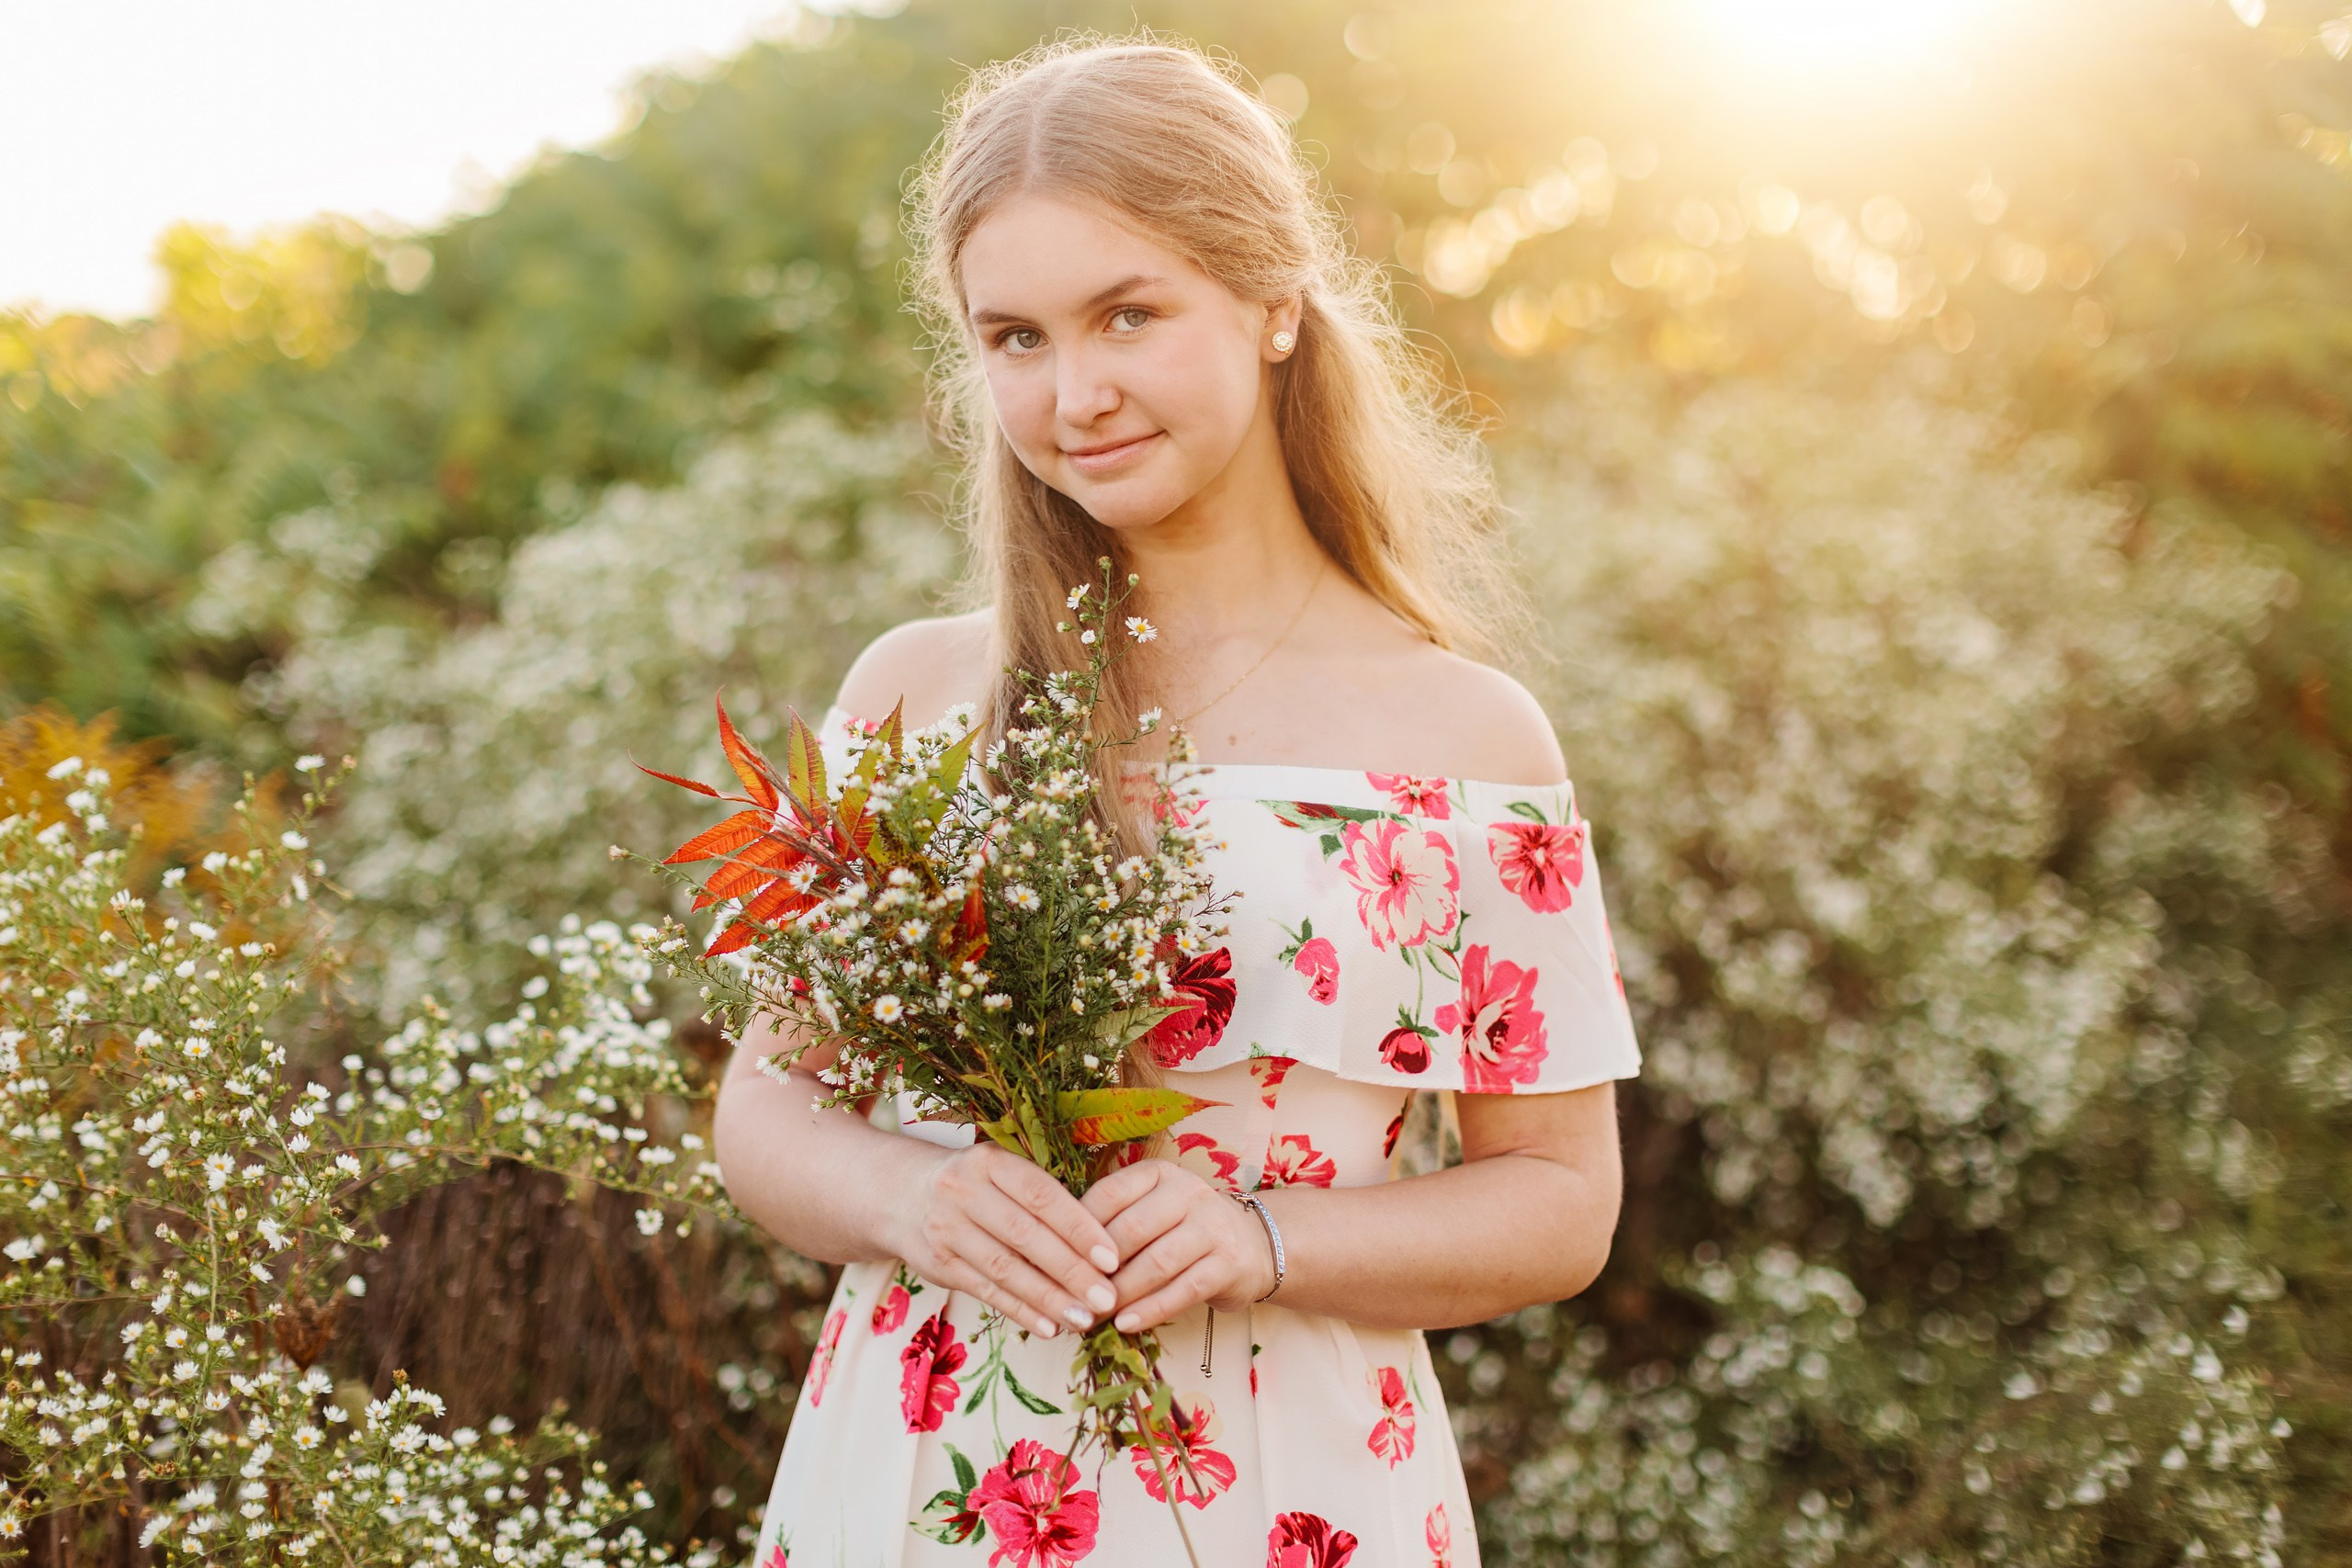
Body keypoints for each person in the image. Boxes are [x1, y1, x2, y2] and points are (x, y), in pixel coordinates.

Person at [718, 37, 1640, 1568]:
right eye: (1015, 337)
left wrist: (1263, 1238)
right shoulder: (916, 694)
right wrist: (910, 1199)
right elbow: (765, 1105)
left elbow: (1558, 1201)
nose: (1075, 394)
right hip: (926, 1472)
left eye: (1128, 315)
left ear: (1275, 304)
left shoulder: (1465, 738)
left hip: (1291, 1486)